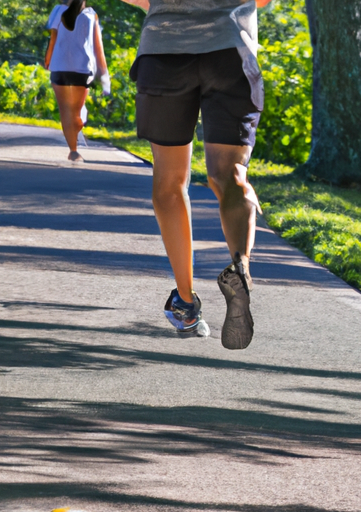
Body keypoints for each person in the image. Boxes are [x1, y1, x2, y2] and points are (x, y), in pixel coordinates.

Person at [120, 0, 272, 349]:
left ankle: (187, 302)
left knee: (169, 185)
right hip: (230, 52)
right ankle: (241, 266)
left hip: (164, 53)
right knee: (232, 175)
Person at [45, 0, 110, 162]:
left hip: (62, 68)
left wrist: (48, 60)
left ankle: (73, 148)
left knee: (67, 112)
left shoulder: (59, 10)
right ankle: (73, 149)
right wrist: (104, 77)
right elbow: (98, 49)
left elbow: (53, 39)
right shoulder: (91, 16)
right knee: (73, 112)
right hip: (80, 69)